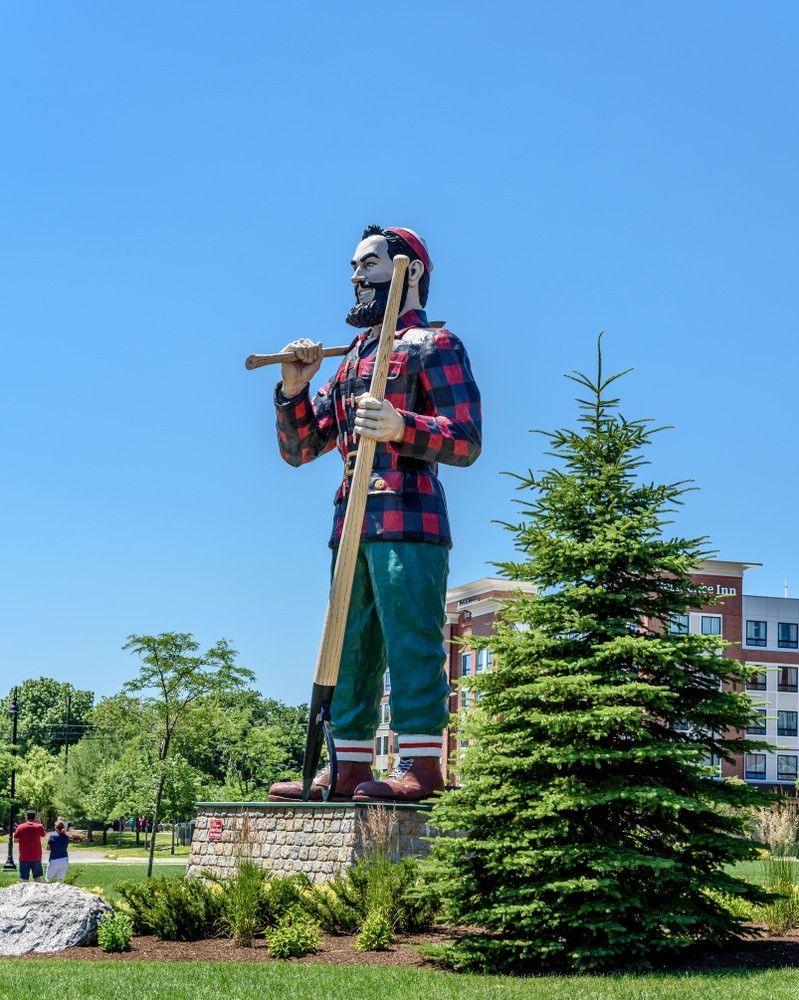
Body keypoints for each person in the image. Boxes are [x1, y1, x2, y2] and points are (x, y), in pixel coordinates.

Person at [268, 225, 481, 803]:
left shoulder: (436, 345)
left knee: (412, 638)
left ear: (409, 270)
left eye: (369, 263)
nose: (356, 275)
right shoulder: (349, 364)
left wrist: (401, 425)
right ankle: (347, 766)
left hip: (411, 519)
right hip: (350, 521)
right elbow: (301, 449)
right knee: (348, 641)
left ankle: (421, 767)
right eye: (354, 266)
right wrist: (292, 390)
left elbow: (466, 439)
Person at [13, 809, 46, 882]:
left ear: (26, 817)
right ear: (35, 818)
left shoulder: (21, 827)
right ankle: (37, 892)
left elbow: (15, 839)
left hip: (24, 857)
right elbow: (43, 835)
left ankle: (25, 892)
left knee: (25, 878)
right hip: (36, 856)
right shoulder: (39, 826)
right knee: (37, 877)